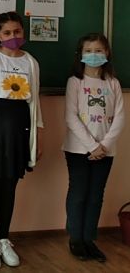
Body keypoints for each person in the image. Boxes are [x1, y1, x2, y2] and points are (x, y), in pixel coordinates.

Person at [0, 11, 44, 268]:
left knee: (10, 188)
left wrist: (38, 136)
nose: (13, 36)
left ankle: (3, 237)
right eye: (7, 33)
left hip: (20, 131)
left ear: (23, 32)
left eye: (17, 31)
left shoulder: (31, 63)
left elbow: (35, 104)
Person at [63, 33, 125, 263]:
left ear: (107, 53)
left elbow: (120, 117)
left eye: (98, 50)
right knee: (79, 194)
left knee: (96, 196)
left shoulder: (113, 83)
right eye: (88, 51)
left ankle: (89, 239)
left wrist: (104, 145)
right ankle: (76, 239)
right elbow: (71, 117)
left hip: (106, 151)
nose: (93, 55)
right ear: (80, 55)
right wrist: (91, 146)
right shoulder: (75, 82)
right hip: (78, 150)